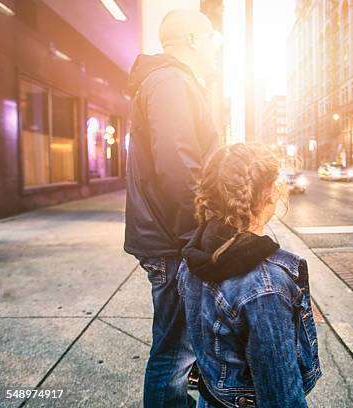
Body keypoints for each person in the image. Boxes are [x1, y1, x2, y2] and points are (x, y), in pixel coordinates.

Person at [177, 143, 322, 408]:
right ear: (267, 193)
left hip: (210, 400)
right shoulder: (266, 289)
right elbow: (281, 398)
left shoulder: (191, 261)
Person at [124, 9, 219, 408]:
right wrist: (198, 239)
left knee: (179, 347)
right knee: (175, 353)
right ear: (194, 38)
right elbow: (179, 166)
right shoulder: (170, 81)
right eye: (213, 38)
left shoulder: (169, 81)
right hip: (174, 243)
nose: (217, 47)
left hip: (169, 239)